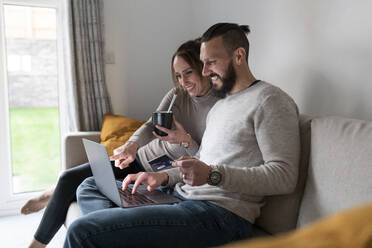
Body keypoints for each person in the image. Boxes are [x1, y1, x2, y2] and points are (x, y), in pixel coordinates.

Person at [65, 23, 301, 248]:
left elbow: (284, 176)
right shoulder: (221, 106)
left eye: (211, 63)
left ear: (239, 56)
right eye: (202, 64)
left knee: (83, 231)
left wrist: (213, 174)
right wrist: (162, 178)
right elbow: (200, 165)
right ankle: (118, 231)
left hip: (219, 215)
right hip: (180, 196)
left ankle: (113, 230)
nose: (206, 71)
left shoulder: (270, 101)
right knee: (91, 185)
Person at [26, 38, 220, 248]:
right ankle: (37, 243)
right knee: (69, 177)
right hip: (140, 160)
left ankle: (89, 219)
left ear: (204, 67)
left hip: (159, 173)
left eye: (188, 72)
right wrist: (131, 146)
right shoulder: (177, 95)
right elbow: (150, 125)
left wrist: (186, 141)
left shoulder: (220, 106)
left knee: (84, 185)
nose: (183, 82)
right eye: (178, 76)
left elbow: (204, 158)